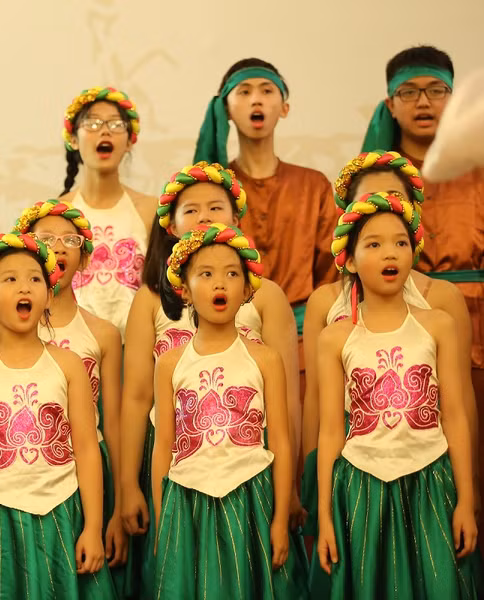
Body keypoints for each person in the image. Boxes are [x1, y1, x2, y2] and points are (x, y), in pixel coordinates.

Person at [119, 162, 301, 597]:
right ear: (170, 225)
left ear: (236, 217)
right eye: (191, 210)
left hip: (251, 468)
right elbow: (137, 399)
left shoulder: (267, 299)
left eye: (215, 207)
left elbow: (286, 406)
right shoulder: (152, 302)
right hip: (185, 472)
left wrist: (289, 490)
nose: (204, 217)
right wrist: (128, 484)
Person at [301, 151, 476, 547]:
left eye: (394, 199)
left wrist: (470, 487)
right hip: (357, 465)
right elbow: (318, 405)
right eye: (370, 201)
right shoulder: (326, 307)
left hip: (428, 463)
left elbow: (459, 403)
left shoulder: (441, 305)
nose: (383, 207)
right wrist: (315, 487)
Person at [0, 232, 116, 598]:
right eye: (11, 279)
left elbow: (87, 450)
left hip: (63, 514)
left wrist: (93, 527)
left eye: (34, 279)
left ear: (48, 295)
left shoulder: (69, 365)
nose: (24, 287)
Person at [152, 223, 306, 598]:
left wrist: (279, 520)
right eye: (206, 274)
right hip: (187, 502)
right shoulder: (169, 364)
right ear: (185, 290)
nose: (220, 283)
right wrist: (162, 523)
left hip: (252, 499)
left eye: (232, 274)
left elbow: (280, 443)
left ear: (248, 289)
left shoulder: (265, 359)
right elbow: (163, 448)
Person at [361, 45, 484, 466]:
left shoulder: (479, 169)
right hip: (405, 329)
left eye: (436, 90)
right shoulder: (376, 180)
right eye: (409, 92)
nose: (424, 102)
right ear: (390, 105)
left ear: (453, 98)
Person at [14, 199, 128, 590]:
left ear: (85, 257)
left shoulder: (103, 334)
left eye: (70, 239)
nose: (58, 247)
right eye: (46, 239)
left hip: (88, 473)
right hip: (29, 474)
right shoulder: (10, 331)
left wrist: (118, 504)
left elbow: (113, 423)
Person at [193, 58, 339, 333]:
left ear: (284, 108)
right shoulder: (213, 190)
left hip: (304, 334)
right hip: (231, 333)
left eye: (267, 90)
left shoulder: (313, 185)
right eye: (244, 91)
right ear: (226, 109)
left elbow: (331, 272)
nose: (256, 100)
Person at [59, 87, 155, 337]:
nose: (104, 131)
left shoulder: (151, 210)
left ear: (130, 141)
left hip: (135, 347)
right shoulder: (56, 213)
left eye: (115, 124)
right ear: (73, 139)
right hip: (71, 347)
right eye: (92, 123)